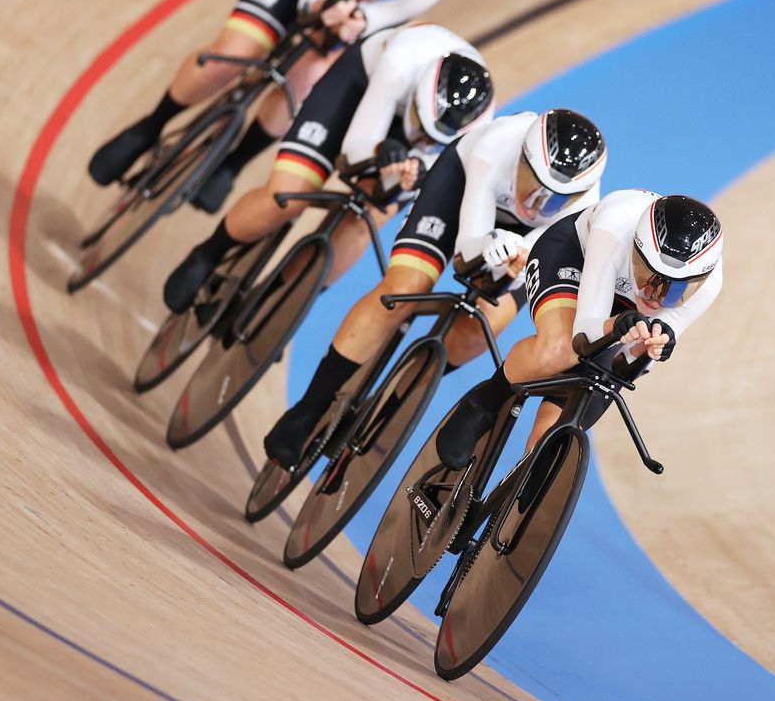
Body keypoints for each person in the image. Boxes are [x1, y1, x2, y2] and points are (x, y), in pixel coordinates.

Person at [259, 109, 609, 470]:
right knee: (404, 287)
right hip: (460, 192)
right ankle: (309, 408)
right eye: (531, 184)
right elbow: (467, 252)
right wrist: (489, 245)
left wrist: (513, 261)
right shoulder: (496, 144)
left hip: (531, 239)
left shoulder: (584, 204)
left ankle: (387, 409)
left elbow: (538, 261)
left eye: (551, 199)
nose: (533, 202)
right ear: (522, 156)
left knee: (484, 324)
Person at [87, 0, 456, 213]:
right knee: (234, 52)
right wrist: (324, 9)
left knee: (311, 73)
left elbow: (369, 22)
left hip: (370, 10)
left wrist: (354, 20)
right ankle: (150, 126)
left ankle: (232, 164)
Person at [161, 21, 492, 314]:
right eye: (420, 123)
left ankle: (279, 301)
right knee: (287, 195)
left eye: (429, 132)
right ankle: (207, 254)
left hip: (418, 144)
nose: (420, 132)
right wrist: (380, 149)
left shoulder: (477, 127)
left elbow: (435, 170)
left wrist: (412, 172)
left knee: (364, 221)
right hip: (360, 91)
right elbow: (353, 150)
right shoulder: (401, 64)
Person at [433, 190, 724, 469]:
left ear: (698, 281)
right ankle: (484, 401)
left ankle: (514, 494)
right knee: (558, 350)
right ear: (636, 246)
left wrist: (646, 349)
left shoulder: (708, 288)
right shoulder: (615, 226)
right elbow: (583, 334)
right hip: (575, 258)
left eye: (672, 291)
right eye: (647, 273)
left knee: (574, 413)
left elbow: (625, 369)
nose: (652, 294)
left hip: (622, 310)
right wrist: (614, 325)